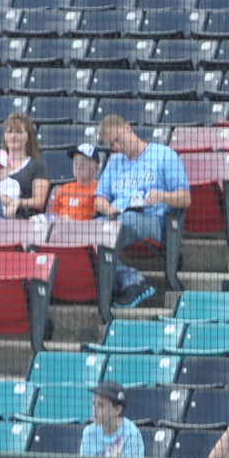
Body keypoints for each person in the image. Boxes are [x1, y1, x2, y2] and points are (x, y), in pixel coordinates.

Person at [94, 113, 191, 311]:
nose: (117, 147)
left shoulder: (163, 154)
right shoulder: (114, 162)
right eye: (112, 145)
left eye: (118, 140)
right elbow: (99, 200)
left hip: (154, 221)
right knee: (90, 231)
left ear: (128, 128)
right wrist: (108, 209)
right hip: (121, 218)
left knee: (126, 219)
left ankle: (115, 282)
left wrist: (163, 196)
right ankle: (133, 282)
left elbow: (185, 198)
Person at [81, 379, 145, 458]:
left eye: (101, 405)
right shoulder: (89, 433)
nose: (94, 409)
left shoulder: (131, 434)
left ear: (117, 410)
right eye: (94, 403)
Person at [47, 141, 103, 220]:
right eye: (76, 163)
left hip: (85, 230)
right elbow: (54, 215)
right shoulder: (65, 188)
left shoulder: (100, 189)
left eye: (83, 164)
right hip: (60, 228)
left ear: (96, 168)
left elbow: (97, 219)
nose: (78, 167)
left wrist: (73, 223)